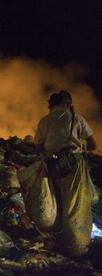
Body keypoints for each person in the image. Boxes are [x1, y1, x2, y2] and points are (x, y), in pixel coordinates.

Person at [34, 90, 97, 256]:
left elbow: (38, 147)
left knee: (56, 202)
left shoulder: (44, 121)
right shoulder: (76, 118)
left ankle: (55, 239)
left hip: (52, 166)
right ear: (68, 104)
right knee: (75, 204)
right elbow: (93, 144)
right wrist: (80, 146)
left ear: (51, 105)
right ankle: (76, 245)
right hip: (73, 166)